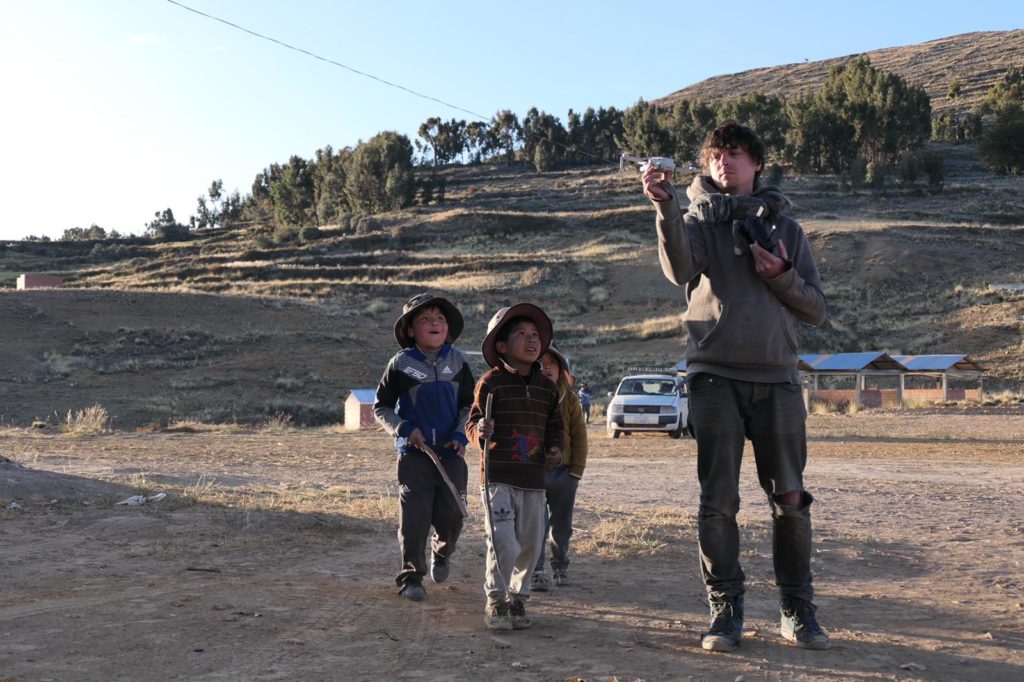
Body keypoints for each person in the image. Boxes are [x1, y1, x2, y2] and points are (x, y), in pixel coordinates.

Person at [643, 120, 830, 651]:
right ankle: (725, 610)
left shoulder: (788, 230)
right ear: (707, 165)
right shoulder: (697, 220)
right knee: (718, 502)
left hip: (777, 380)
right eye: (717, 155)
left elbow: (816, 310)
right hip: (714, 377)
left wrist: (779, 276)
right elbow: (680, 270)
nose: (725, 162)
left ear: (757, 165)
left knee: (790, 499)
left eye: (737, 154)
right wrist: (664, 207)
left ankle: (798, 609)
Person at [466, 304, 563, 631]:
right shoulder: (490, 382)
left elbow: (555, 426)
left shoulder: (548, 388)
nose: (531, 339)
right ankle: (495, 600)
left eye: (535, 334)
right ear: (502, 346)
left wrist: (554, 450)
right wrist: (480, 433)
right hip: (498, 478)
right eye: (520, 334)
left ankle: (517, 600)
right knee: (504, 541)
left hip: (534, 480)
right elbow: (473, 423)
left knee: (531, 545)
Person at [373, 293, 475, 602]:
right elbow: (382, 408)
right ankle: (411, 577)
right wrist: (404, 428)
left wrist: (461, 434)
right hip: (414, 455)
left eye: (440, 319)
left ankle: (442, 552)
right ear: (410, 330)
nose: (435, 323)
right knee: (414, 518)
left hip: (451, 454)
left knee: (453, 516)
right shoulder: (400, 364)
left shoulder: (459, 361)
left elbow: (470, 405)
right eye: (426, 319)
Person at [531, 341, 587, 592]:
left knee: (561, 525)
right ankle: (536, 570)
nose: (546, 367)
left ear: (561, 368)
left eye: (552, 362)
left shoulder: (570, 400)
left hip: (564, 474)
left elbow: (580, 438)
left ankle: (560, 565)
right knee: (536, 524)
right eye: (540, 363)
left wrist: (575, 472)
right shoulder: (527, 395)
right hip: (534, 473)